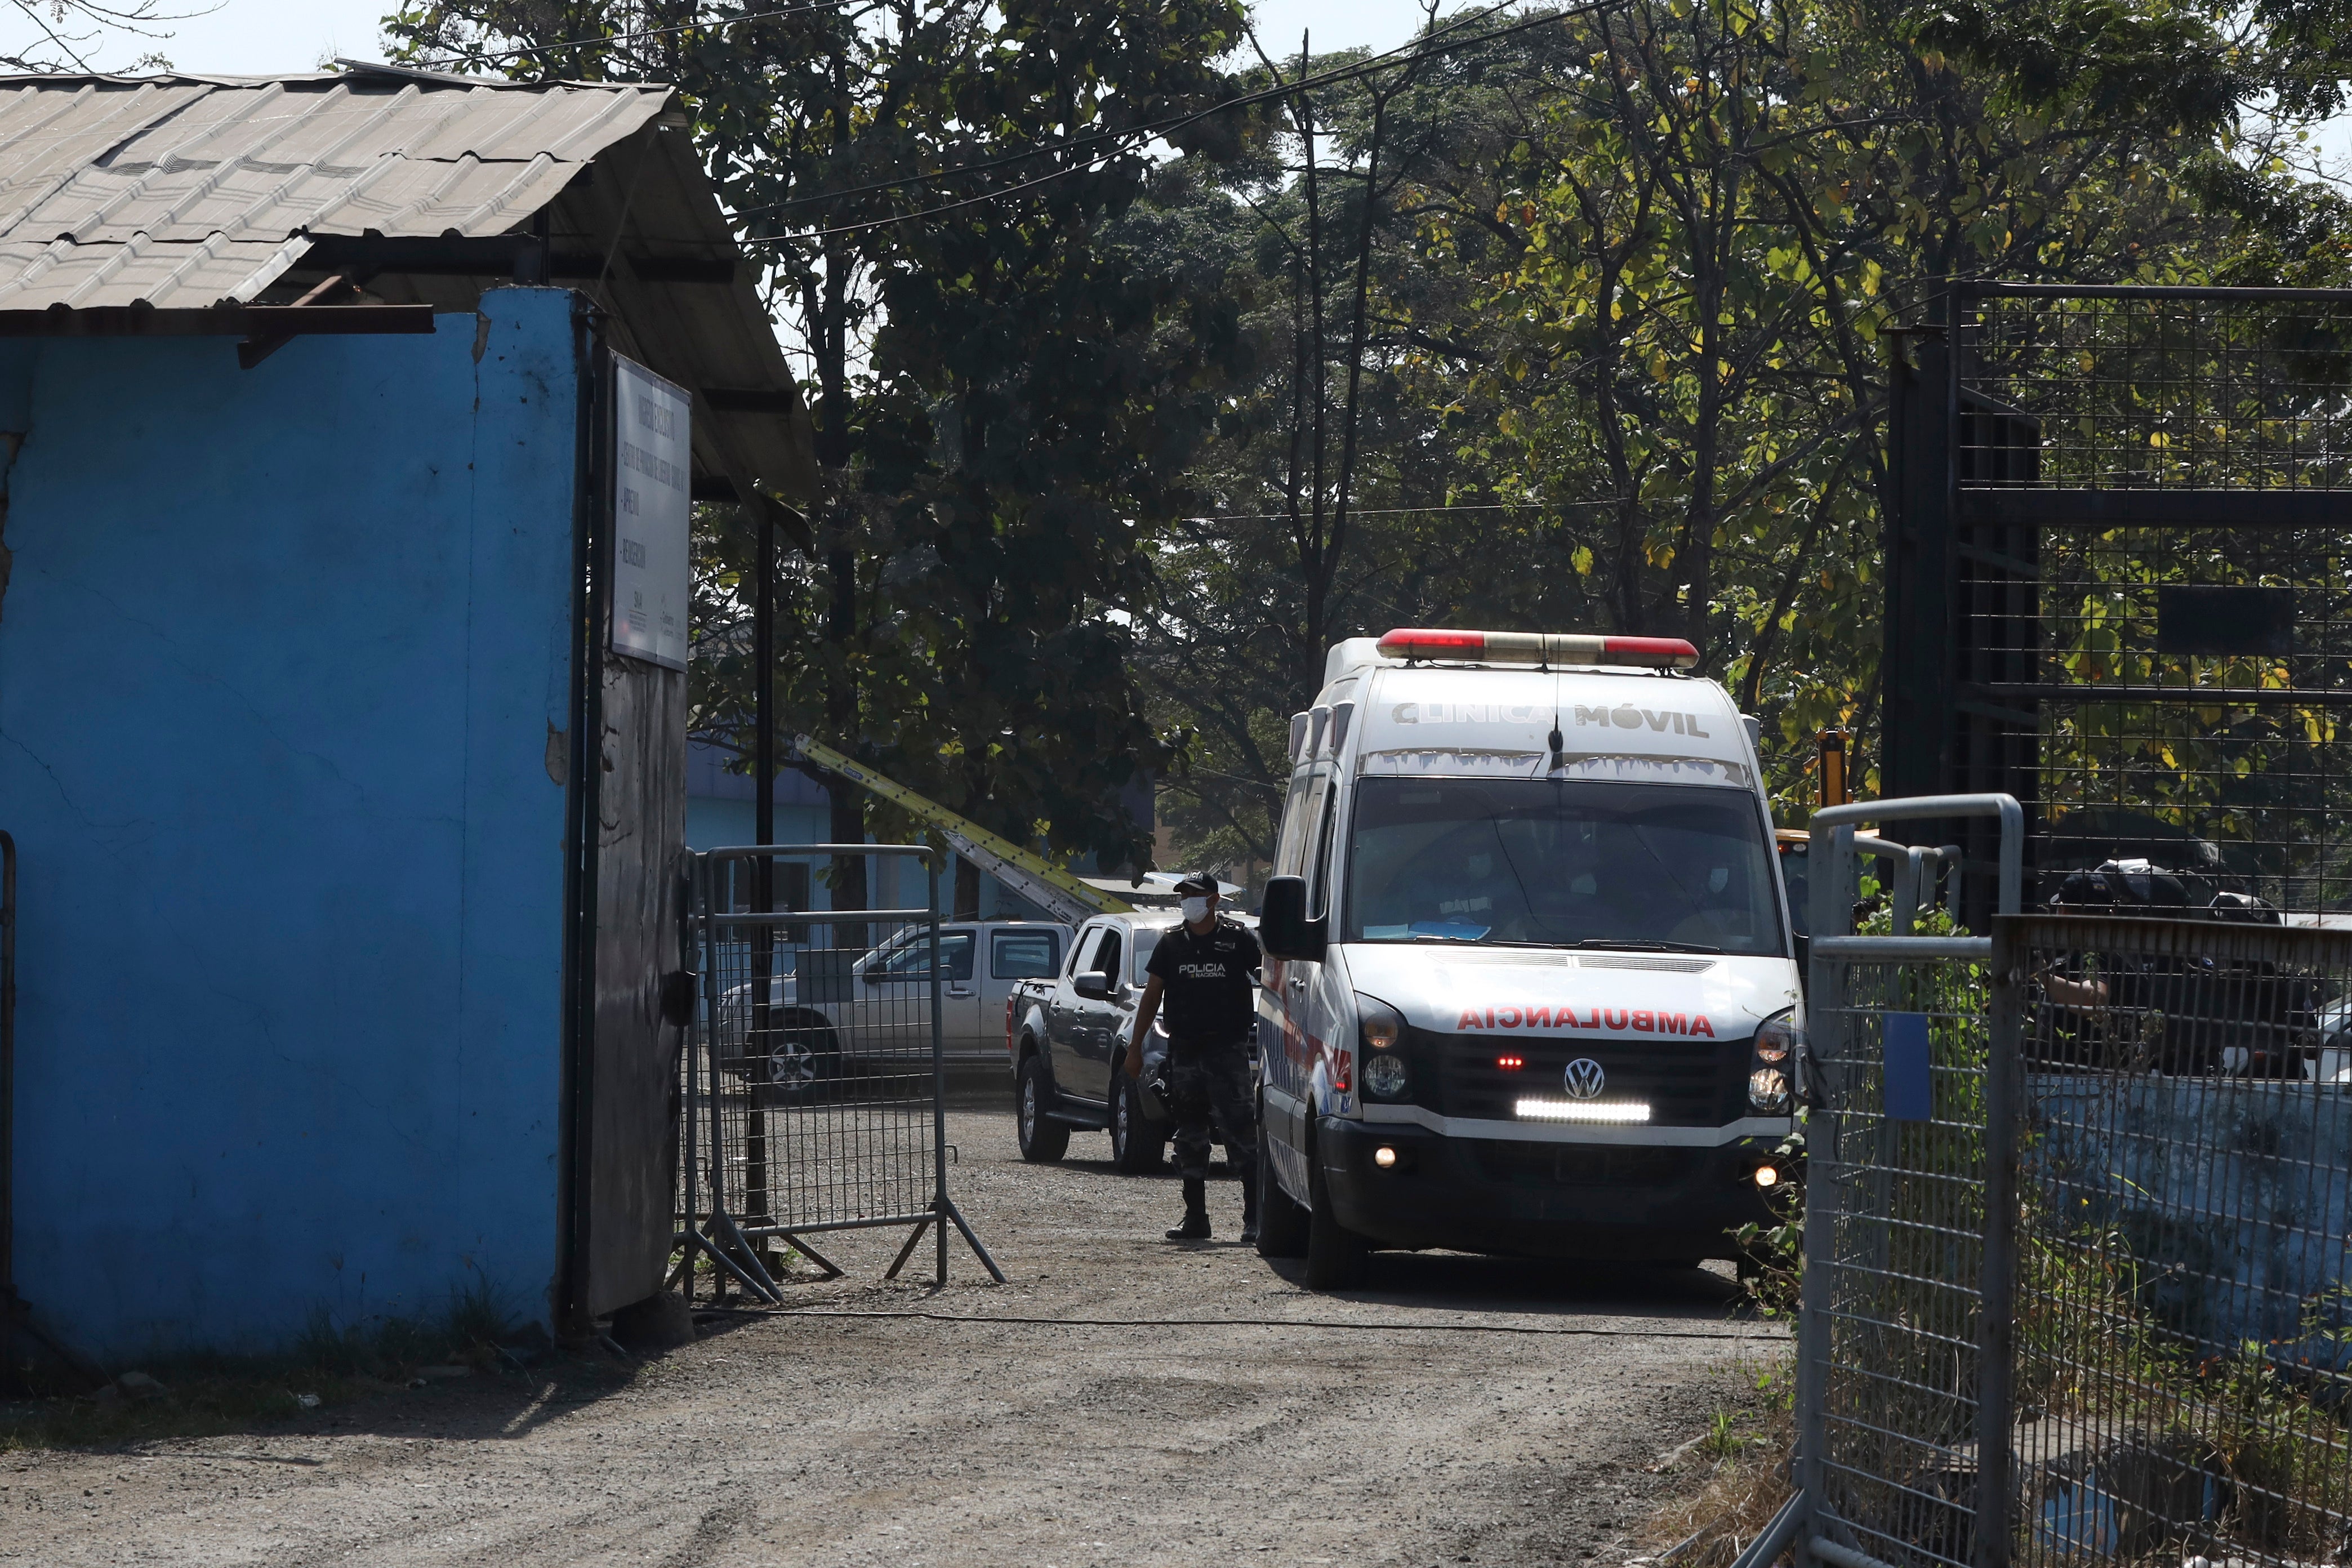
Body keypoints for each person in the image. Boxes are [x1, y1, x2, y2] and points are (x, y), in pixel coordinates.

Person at [1125, 871, 1263, 1242]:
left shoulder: (1237, 940)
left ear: (1214, 900)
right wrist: (1135, 1048)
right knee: (1189, 1136)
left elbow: (1270, 980)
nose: (1188, 901)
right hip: (1184, 1052)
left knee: (1241, 1134)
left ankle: (1255, 1218)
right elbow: (1152, 996)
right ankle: (1196, 1218)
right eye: (1183, 895)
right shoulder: (1171, 943)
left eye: (1195, 895)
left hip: (1227, 1051)